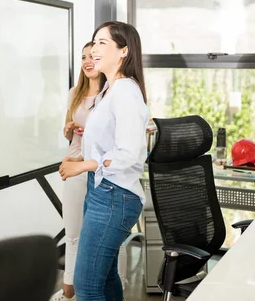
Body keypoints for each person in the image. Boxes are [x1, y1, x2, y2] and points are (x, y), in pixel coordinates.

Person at [59, 21, 149, 301]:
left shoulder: (125, 91)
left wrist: (84, 165)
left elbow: (130, 153)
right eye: (93, 42)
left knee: (86, 286)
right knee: (106, 277)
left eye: (102, 43)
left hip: (115, 197)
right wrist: (81, 155)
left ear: (123, 51)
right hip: (102, 192)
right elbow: (107, 144)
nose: (94, 50)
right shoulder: (110, 89)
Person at [50, 42, 128, 301]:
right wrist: (69, 128)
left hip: (103, 171)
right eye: (83, 57)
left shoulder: (113, 94)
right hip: (75, 168)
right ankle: (68, 290)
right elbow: (67, 132)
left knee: (106, 239)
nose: (87, 61)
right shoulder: (75, 93)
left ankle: (116, 286)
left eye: (93, 56)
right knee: (73, 234)